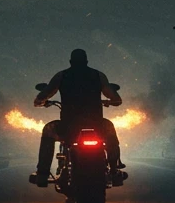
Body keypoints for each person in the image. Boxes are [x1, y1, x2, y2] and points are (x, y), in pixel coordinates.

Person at [30, 48, 126, 187]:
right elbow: (117, 100)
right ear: (86, 61)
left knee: (48, 130)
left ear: (70, 62)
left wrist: (41, 102)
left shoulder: (61, 76)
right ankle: (114, 170)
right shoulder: (98, 75)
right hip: (96, 125)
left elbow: (42, 96)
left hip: (69, 126)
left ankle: (42, 174)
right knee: (110, 128)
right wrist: (108, 102)